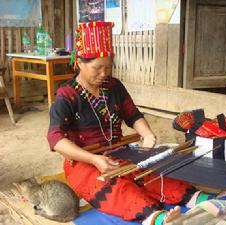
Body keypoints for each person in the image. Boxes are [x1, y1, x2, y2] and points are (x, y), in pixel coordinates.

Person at [47, 21, 201, 225]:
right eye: (97, 68)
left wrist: (147, 135)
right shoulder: (67, 95)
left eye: (108, 67)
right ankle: (157, 217)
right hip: (85, 163)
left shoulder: (113, 86)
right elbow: (56, 139)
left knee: (150, 174)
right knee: (118, 188)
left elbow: (133, 115)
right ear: (80, 63)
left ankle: (198, 200)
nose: (103, 74)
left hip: (120, 153)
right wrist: (94, 159)